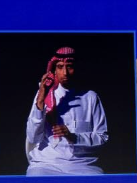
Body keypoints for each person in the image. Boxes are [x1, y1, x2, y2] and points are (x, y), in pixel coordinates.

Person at [26, 47, 109, 175]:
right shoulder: (44, 96)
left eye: (69, 66)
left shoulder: (91, 97)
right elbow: (32, 137)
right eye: (60, 67)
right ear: (54, 70)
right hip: (46, 163)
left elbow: (102, 138)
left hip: (82, 164)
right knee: (35, 177)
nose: (65, 73)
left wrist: (73, 137)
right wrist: (41, 100)